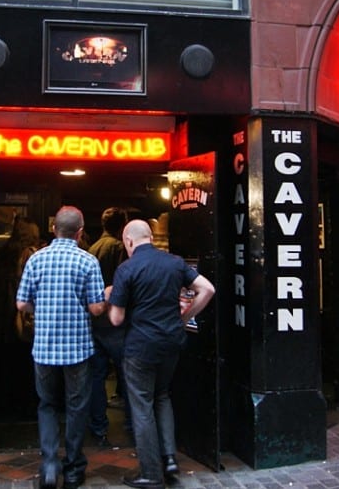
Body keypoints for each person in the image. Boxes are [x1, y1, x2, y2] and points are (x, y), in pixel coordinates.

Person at [108, 219, 215, 489]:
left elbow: (117, 319)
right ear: (151, 237)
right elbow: (208, 289)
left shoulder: (126, 269)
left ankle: (151, 472)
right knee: (162, 396)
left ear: (128, 241)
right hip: (171, 342)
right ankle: (169, 459)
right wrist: (185, 316)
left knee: (142, 405)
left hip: (140, 347)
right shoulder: (175, 262)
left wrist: (110, 297)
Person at [16, 206, 106, 489]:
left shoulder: (36, 259)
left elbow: (21, 303)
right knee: (77, 406)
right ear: (80, 233)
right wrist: (105, 298)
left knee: (47, 404)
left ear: (53, 229)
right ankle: (75, 467)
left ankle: (50, 464)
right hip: (77, 349)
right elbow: (95, 308)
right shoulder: (88, 261)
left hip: (43, 347)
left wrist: (40, 307)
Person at [87, 207, 130, 446]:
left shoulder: (92, 248)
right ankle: (132, 423)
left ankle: (98, 426)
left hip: (95, 320)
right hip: (116, 318)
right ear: (122, 224)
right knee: (127, 372)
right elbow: (124, 282)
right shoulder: (117, 248)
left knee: (96, 376)